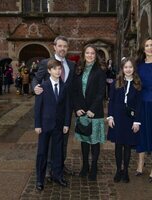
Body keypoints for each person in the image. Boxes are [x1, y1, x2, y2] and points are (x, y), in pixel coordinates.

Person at [32, 35, 75, 176]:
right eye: (60, 46)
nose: (62, 48)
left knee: (63, 141)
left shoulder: (71, 65)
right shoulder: (46, 63)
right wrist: (35, 88)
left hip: (64, 111)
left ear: (67, 48)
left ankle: (60, 165)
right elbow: (36, 79)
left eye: (65, 46)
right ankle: (49, 168)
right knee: (48, 143)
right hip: (49, 112)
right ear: (54, 47)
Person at [34, 59, 71, 191]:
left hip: (59, 125)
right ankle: (39, 179)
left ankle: (58, 175)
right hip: (44, 125)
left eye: (59, 69)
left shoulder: (65, 86)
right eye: (55, 69)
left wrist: (67, 123)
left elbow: (67, 106)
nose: (58, 71)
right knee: (42, 153)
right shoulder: (42, 87)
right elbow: (37, 108)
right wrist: (37, 125)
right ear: (49, 70)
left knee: (58, 152)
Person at [73, 44, 106, 181]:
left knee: (94, 141)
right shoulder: (78, 69)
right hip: (81, 111)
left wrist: (92, 109)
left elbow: (100, 93)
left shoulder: (100, 70)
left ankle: (94, 167)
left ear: (95, 55)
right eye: (87, 53)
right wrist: (77, 108)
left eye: (92, 53)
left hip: (95, 112)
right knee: (84, 140)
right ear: (83, 54)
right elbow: (74, 91)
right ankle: (85, 165)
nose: (90, 55)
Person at [107, 57, 141, 183]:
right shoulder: (116, 82)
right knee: (118, 145)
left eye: (130, 67)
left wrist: (137, 121)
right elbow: (111, 102)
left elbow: (138, 105)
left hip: (130, 119)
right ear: (122, 69)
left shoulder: (137, 84)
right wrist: (110, 116)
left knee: (127, 146)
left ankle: (125, 170)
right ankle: (118, 170)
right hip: (117, 117)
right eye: (126, 67)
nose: (128, 69)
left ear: (134, 69)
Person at [135, 37, 152, 182]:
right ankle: (140, 164)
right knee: (142, 133)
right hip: (141, 103)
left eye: (151, 45)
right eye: (147, 45)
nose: (149, 47)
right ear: (143, 48)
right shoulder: (138, 65)